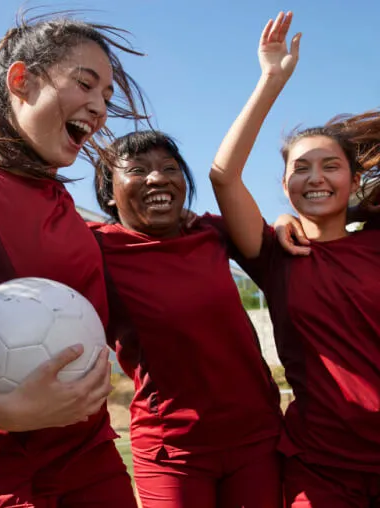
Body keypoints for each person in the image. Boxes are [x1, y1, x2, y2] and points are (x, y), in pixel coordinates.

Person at [0, 10, 149, 508]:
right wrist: (0, 408)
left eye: (107, 97)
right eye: (85, 84)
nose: (100, 108)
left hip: (91, 457)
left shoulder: (68, 210)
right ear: (20, 80)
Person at [209, 11, 380, 508]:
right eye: (300, 168)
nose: (315, 177)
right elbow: (223, 176)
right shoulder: (275, 254)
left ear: (352, 179)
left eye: (331, 166)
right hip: (320, 464)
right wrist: (270, 80)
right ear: (284, 185)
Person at [89, 130, 284, 508]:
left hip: (257, 438)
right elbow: (25, 229)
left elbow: (288, 233)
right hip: (171, 449)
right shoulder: (94, 245)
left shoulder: (212, 231)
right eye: (138, 170)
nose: (158, 177)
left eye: (169, 168)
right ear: (110, 194)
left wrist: (287, 218)